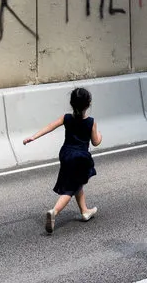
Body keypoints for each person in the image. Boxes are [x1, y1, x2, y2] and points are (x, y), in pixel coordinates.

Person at [23, 87, 102, 234]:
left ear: (71, 103)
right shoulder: (91, 122)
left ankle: (85, 211)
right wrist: (100, 135)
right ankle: (54, 211)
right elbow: (96, 142)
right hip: (80, 157)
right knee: (70, 188)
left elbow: (49, 127)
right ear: (89, 104)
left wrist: (33, 137)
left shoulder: (66, 118)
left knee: (76, 182)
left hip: (65, 154)